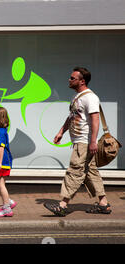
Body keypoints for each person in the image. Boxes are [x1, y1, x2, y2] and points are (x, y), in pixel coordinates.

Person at [44, 67, 112, 217]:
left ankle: (62, 205)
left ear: (82, 81)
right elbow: (71, 117)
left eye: (72, 78)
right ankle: (103, 204)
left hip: (85, 142)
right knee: (91, 172)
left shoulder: (90, 97)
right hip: (80, 141)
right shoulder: (77, 97)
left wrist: (93, 141)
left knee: (75, 171)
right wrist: (61, 131)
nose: (69, 80)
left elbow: (95, 120)